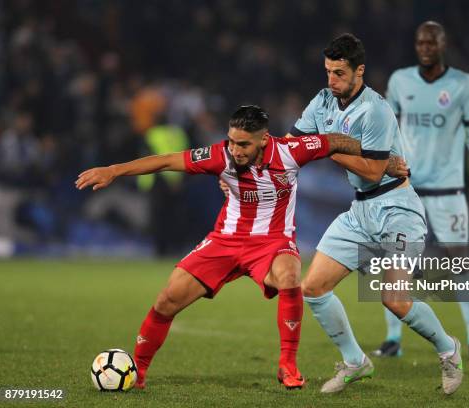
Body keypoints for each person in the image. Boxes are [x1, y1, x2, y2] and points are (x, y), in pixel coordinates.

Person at [75, 105, 374, 390]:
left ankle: (288, 366)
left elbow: (335, 141)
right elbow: (166, 160)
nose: (235, 150)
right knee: (168, 299)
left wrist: (382, 159)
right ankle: (138, 370)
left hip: (273, 242)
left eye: (243, 144)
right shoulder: (220, 155)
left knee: (290, 275)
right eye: (232, 141)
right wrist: (114, 170)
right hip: (225, 241)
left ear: (264, 140)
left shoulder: (291, 151)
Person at [291, 34, 463, 395]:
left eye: (339, 73)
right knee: (313, 288)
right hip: (360, 212)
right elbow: (293, 144)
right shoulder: (322, 102)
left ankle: (448, 349)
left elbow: (372, 171)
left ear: (360, 71)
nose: (331, 80)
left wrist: (326, 145)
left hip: (398, 209)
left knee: (394, 298)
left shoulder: (376, 110)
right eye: (327, 72)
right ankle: (356, 362)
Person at [374, 21, 469, 360]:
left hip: (449, 191)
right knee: (395, 261)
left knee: (460, 262)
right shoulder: (401, 81)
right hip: (408, 189)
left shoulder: (463, 85)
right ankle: (392, 340)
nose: (425, 47)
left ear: (443, 43)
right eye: (420, 41)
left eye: (431, 41)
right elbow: (388, 129)